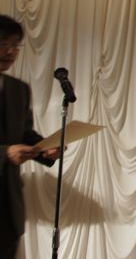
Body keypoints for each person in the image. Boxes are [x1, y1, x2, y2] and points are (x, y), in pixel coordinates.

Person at [0, 14, 59, 258]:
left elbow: (24, 133)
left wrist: (45, 149)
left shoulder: (19, 89)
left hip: (8, 207)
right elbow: (9, 148)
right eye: (3, 43)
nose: (10, 51)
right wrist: (5, 153)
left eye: (15, 45)